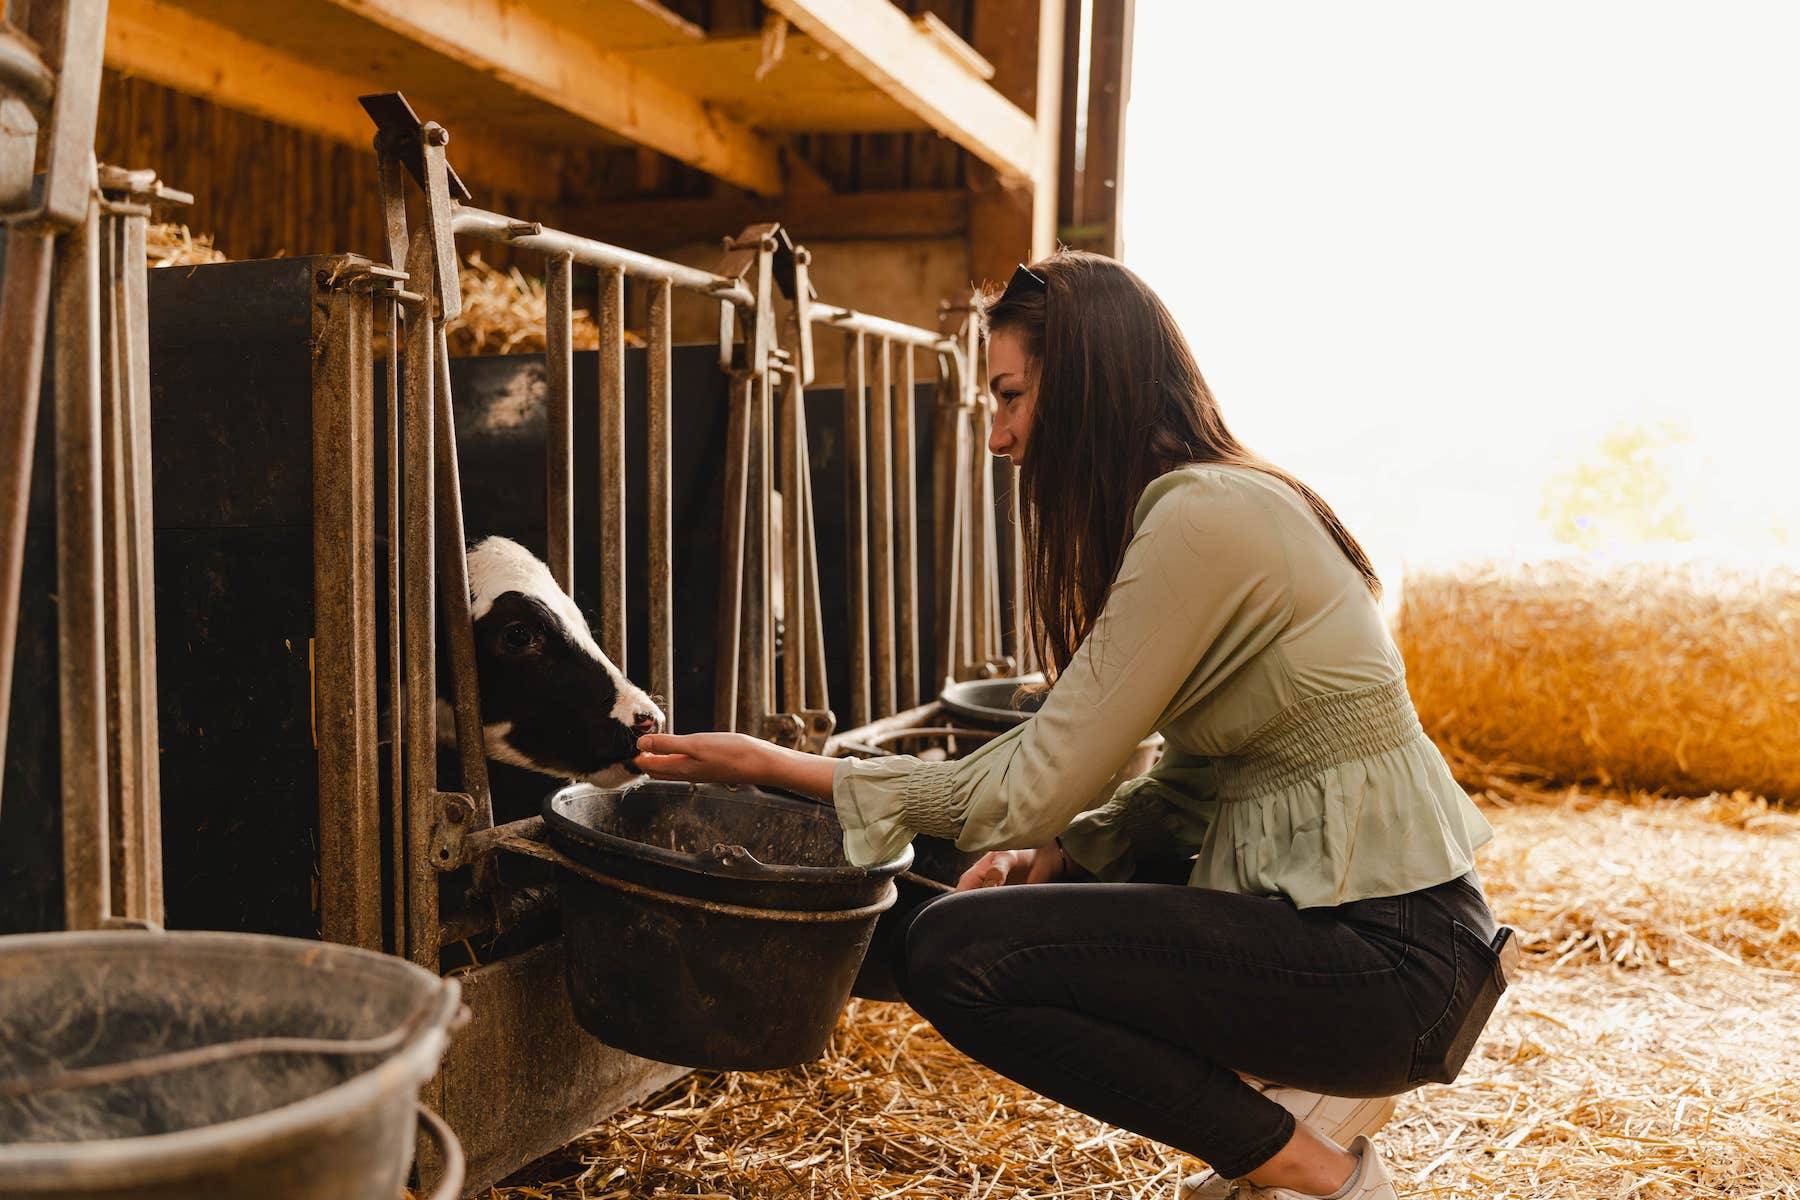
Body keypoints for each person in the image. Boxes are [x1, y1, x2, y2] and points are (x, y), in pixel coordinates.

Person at [633, 251, 1510, 1200]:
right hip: (1379, 951)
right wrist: (1063, 858)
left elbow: (1026, 787)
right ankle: (1293, 1129)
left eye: (1010, 397)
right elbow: (1192, 782)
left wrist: (778, 767)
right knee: (943, 907)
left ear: (1088, 379)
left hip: (1394, 965)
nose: (999, 436)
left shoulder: (1203, 515)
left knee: (954, 953)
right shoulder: (1209, 504)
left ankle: (1314, 1171)